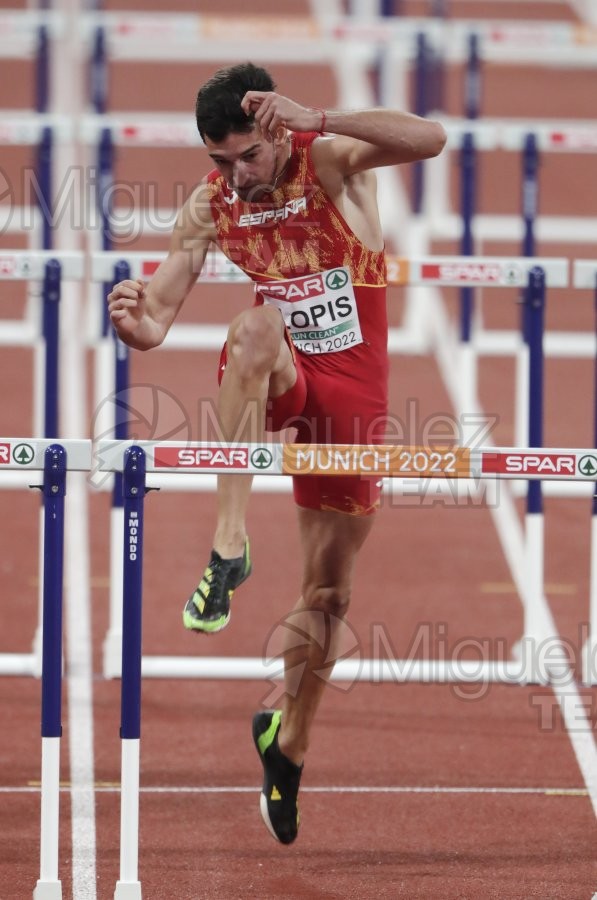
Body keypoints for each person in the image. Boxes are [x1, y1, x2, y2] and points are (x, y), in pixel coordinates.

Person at [108, 62, 446, 845]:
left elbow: (429, 138)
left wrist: (318, 116)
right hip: (278, 373)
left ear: (273, 132)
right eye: (217, 160)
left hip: (351, 393)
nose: (233, 176)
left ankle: (287, 741)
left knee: (328, 598)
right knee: (255, 326)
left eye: (244, 158)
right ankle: (229, 542)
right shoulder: (210, 204)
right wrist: (131, 322)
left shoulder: (327, 162)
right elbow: (157, 317)